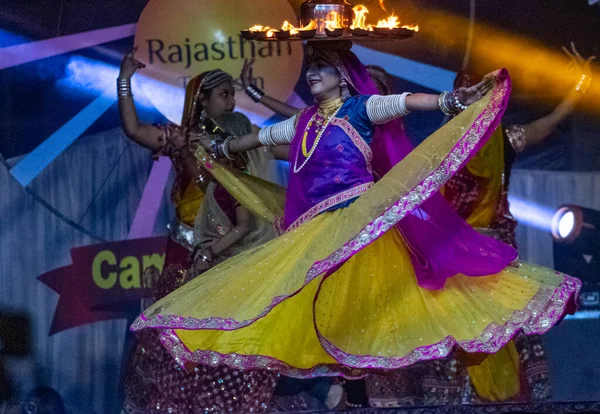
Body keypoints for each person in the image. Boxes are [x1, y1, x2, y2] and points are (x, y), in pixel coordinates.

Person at [132, 40, 579, 385]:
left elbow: (405, 102)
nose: (312, 76)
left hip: (363, 221)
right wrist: (222, 147)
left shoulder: (361, 108)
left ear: (343, 76)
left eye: (321, 69)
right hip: (319, 226)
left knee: (400, 301)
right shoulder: (304, 120)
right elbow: (259, 140)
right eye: (311, 70)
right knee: (286, 296)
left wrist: (451, 101)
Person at [119, 52, 280, 413]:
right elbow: (133, 130)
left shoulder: (239, 140)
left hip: (231, 250)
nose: (231, 100)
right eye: (223, 94)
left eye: (232, 94)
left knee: (222, 334)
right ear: (201, 101)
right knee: (175, 336)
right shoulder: (182, 137)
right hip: (186, 250)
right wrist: (124, 80)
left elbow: (229, 183)